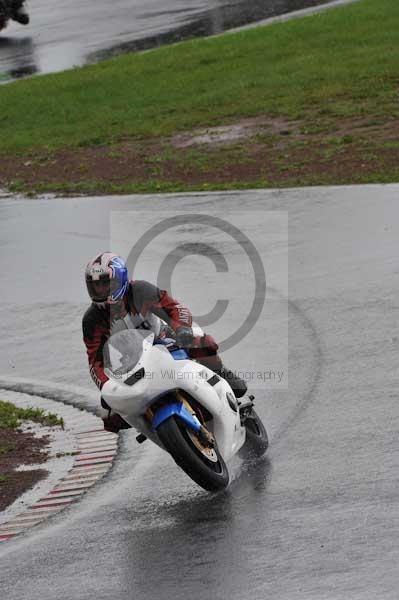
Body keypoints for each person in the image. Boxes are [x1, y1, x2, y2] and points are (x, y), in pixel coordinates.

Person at [82, 252, 247, 433]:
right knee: (109, 413)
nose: (100, 290)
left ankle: (220, 373)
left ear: (120, 279)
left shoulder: (141, 291)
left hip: (164, 338)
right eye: (95, 285)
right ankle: (151, 421)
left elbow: (175, 308)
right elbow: (95, 362)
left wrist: (182, 328)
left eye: (105, 283)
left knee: (203, 343)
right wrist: (106, 385)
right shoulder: (92, 319)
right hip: (132, 361)